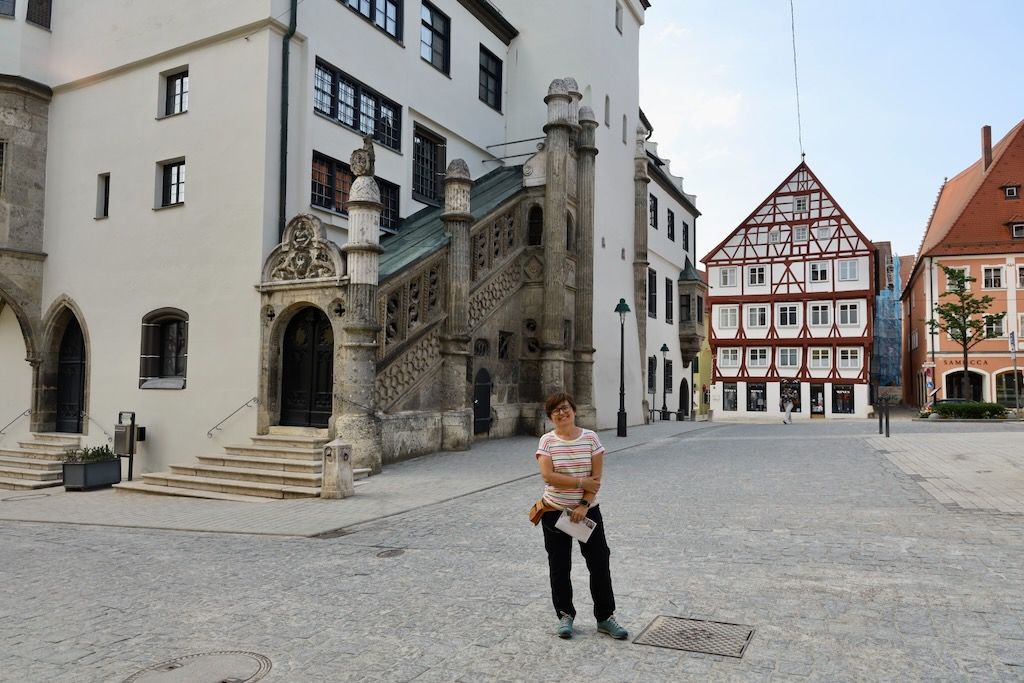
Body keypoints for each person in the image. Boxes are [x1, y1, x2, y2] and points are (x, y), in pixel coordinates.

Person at [534, 391, 628, 641]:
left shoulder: (590, 438)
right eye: (556, 411)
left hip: (586, 511)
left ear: (574, 410)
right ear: (550, 417)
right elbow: (548, 476)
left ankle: (605, 617)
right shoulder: (547, 441)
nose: (562, 413)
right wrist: (579, 481)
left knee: (599, 562)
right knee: (559, 565)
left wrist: (584, 504)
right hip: (554, 511)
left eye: (565, 408)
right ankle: (565, 615)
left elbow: (596, 479)